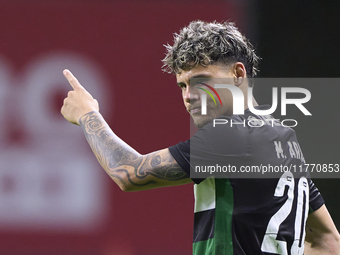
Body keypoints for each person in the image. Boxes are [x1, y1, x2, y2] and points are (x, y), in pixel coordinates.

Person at [61, 20, 340, 254]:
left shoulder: (232, 135)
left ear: (237, 73)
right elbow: (328, 240)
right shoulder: (284, 139)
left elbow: (129, 173)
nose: (188, 95)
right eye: (182, 85)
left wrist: (88, 115)